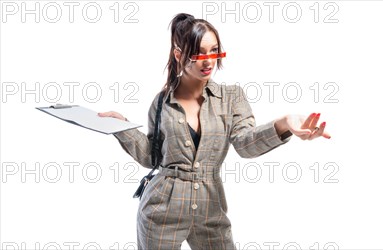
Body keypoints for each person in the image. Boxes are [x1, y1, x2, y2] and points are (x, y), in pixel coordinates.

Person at [98, 13, 331, 249]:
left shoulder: (231, 98)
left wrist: (283, 123)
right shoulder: (161, 103)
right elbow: (152, 157)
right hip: (161, 210)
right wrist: (122, 127)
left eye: (214, 51)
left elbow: (245, 145)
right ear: (179, 55)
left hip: (211, 209)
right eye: (199, 53)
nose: (208, 61)